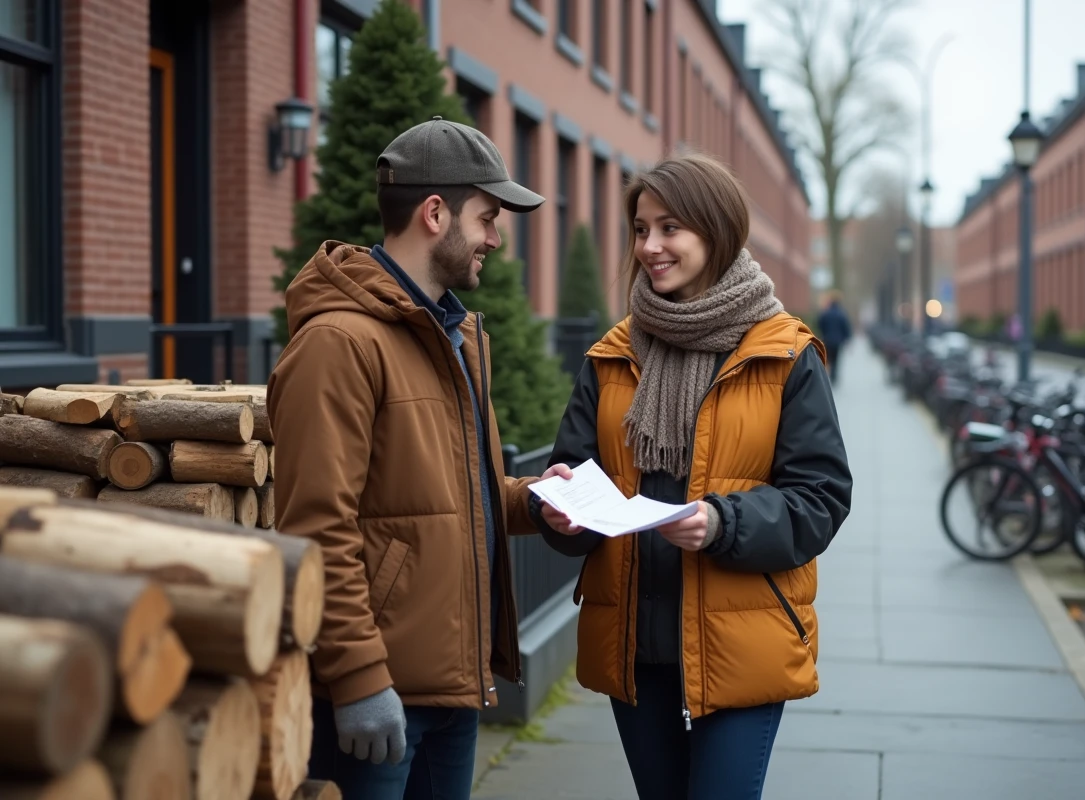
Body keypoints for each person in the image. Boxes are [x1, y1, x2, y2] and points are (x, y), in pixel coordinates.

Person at [267, 116, 572, 799]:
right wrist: (357, 677)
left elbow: (442, 496)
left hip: (451, 688)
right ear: (435, 214)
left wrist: (533, 501)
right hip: (377, 696)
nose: (495, 238)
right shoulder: (338, 345)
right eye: (487, 218)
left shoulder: (452, 337)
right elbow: (317, 527)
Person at [532, 153, 853, 800]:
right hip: (635, 643)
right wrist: (563, 514)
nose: (649, 246)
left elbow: (820, 500)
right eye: (640, 229)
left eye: (669, 228)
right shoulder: (612, 354)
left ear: (717, 231)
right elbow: (577, 478)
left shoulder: (785, 353)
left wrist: (722, 523)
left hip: (743, 640)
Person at [817, 290, 852, 385]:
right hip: (837, 341)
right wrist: (847, 339)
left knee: (828, 358)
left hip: (827, 339)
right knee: (836, 360)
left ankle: (828, 375)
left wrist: (823, 334)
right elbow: (846, 327)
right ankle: (834, 376)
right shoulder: (841, 313)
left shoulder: (826, 313)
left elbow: (820, 324)